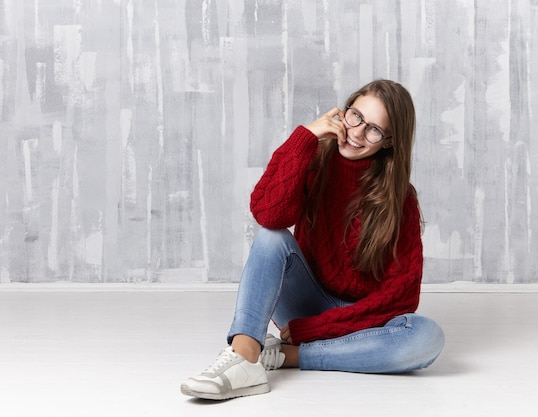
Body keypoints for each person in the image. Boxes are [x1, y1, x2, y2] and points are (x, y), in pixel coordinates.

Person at [180, 79, 445, 401]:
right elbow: (268, 215)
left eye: (375, 129)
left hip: (363, 320)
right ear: (342, 113)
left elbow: (400, 297)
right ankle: (245, 355)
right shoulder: (314, 160)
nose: (358, 133)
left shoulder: (400, 199)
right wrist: (304, 138)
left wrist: (313, 332)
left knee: (426, 338)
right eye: (356, 117)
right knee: (271, 238)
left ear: (389, 141)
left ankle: (289, 356)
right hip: (305, 301)